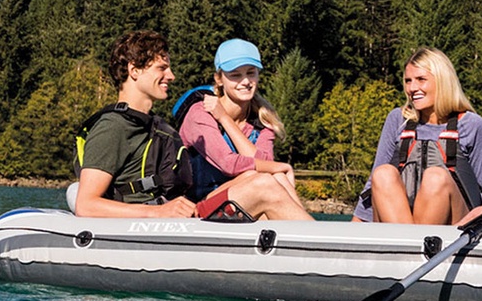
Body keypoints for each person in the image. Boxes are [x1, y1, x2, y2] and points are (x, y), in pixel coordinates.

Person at [352, 47, 482, 225]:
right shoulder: (397, 119)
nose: (412, 88)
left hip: (456, 226)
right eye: (408, 81)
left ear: (442, 80)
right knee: (382, 174)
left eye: (421, 79)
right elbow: (371, 186)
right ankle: (408, 240)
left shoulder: (473, 125)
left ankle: (413, 239)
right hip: (399, 222)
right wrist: (354, 228)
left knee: (436, 177)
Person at [177, 39, 311, 221]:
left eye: (251, 73)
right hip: (196, 211)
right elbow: (227, 163)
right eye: (235, 75)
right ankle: (317, 234)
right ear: (219, 79)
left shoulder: (263, 122)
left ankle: (313, 234)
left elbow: (264, 166)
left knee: (272, 178)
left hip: (243, 203)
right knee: (267, 178)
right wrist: (282, 167)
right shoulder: (200, 112)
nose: (246, 81)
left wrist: (224, 118)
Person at [74, 30, 198, 218]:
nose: (171, 76)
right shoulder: (112, 127)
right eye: (162, 68)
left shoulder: (152, 126)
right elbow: (86, 205)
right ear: (134, 71)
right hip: (135, 226)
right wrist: (158, 212)